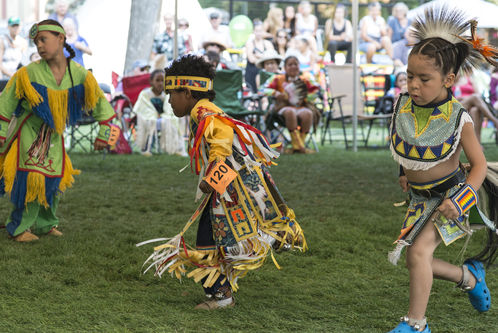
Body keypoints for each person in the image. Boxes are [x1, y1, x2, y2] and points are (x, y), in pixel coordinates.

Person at [139, 55, 306, 309]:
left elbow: (223, 134)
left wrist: (214, 169)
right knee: (215, 236)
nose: (169, 100)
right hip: (233, 181)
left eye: (172, 94)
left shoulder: (204, 111)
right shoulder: (203, 110)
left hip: (230, 183)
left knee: (212, 238)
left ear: (187, 92)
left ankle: (261, 246)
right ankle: (265, 242)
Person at [388, 7, 497, 332]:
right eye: (410, 75)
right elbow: (405, 143)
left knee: (418, 254)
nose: (415, 84)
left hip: (452, 199)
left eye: (424, 78)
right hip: (421, 200)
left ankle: (417, 325)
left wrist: (461, 200)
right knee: (415, 259)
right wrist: (404, 173)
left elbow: (478, 166)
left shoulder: (459, 117)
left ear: (448, 79)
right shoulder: (404, 105)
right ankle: (469, 277)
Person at [0, 20, 115, 242]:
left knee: (53, 178)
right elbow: (5, 102)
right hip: (29, 132)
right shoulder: (28, 73)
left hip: (54, 136)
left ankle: (46, 224)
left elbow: (100, 101)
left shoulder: (79, 74)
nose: (39, 46)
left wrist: (104, 131)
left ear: (60, 39)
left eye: (44, 39)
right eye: (36, 42)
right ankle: (19, 227)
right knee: (32, 178)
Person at [263, 55, 319, 153]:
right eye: (290, 65)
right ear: (285, 68)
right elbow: (263, 89)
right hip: (282, 108)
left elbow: (317, 91)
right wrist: (276, 93)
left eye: (295, 64)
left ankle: (297, 146)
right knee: (290, 111)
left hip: (301, 107)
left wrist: (305, 97)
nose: (293, 66)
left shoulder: (305, 79)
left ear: (299, 66)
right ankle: (300, 147)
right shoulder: (277, 78)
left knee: (308, 113)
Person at [133, 69, 186, 156]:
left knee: (173, 121)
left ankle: (176, 148)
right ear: (151, 82)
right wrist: (154, 115)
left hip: (164, 118)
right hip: (148, 118)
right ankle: (147, 147)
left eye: (163, 81)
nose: (160, 83)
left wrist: (163, 116)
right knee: (151, 122)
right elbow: (143, 108)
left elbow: (169, 110)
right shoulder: (145, 94)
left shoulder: (167, 94)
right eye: (157, 80)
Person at [245, 21, 274, 93]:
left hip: (265, 72)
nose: (258, 33)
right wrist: (264, 57)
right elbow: (251, 59)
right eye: (257, 31)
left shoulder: (267, 43)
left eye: (260, 31)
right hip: (252, 72)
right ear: (253, 31)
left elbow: (272, 57)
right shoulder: (250, 43)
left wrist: (259, 56)